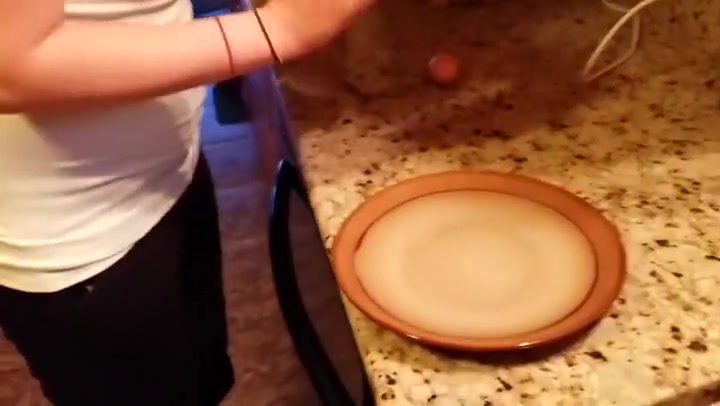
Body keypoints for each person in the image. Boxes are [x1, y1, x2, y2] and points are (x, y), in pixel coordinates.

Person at [0, 0, 375, 404]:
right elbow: (12, 70)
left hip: (162, 180)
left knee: (197, 384)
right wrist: (279, 29)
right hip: (80, 240)